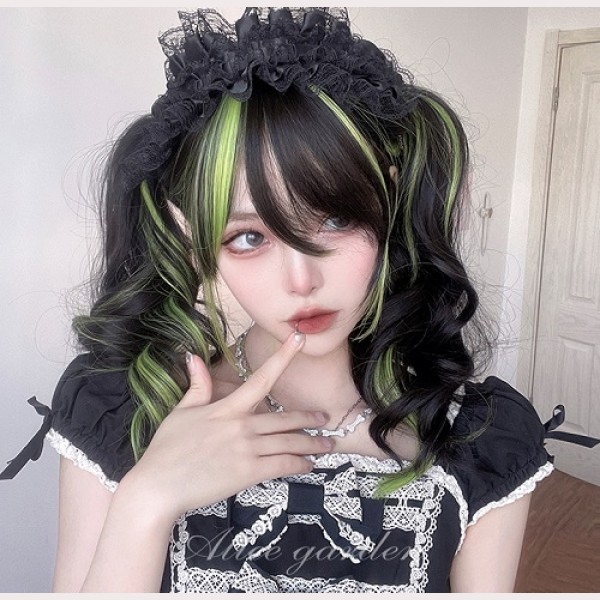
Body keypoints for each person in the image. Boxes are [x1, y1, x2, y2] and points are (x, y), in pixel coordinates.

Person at [4, 6, 593, 593]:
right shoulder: (124, 408)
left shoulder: (478, 437)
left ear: (388, 202)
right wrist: (147, 498)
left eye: (335, 218)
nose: (301, 280)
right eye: (248, 237)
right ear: (193, 238)